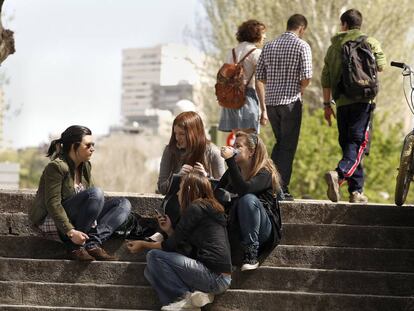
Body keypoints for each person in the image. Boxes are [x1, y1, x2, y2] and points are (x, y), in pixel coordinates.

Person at [127, 171, 232, 310]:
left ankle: (183, 299)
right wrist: (169, 230)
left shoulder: (196, 208)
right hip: (215, 276)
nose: (177, 193)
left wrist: (143, 244)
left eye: (180, 188)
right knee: (150, 271)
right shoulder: (206, 208)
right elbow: (184, 248)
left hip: (215, 277)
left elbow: (170, 245)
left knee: (154, 256)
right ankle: (190, 300)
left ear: (188, 189)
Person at [29, 125, 131, 261]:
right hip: (55, 221)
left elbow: (94, 203)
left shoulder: (85, 166)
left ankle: (93, 243)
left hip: (80, 219)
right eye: (88, 145)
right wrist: (71, 232)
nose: (92, 149)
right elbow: (53, 204)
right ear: (73, 147)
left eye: (93, 145)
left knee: (122, 204)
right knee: (96, 193)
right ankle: (75, 247)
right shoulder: (57, 167)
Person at [321, 9, 386, 203]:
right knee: (358, 144)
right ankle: (339, 175)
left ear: (344, 25)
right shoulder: (371, 42)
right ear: (360, 24)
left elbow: (326, 78)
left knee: (349, 144)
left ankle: (356, 192)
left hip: (341, 103)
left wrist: (326, 105)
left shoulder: (334, 47)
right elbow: (381, 66)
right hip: (364, 102)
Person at [256, 14, 313, 200]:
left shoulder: (269, 45)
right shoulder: (302, 46)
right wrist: (300, 89)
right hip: (290, 102)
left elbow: (261, 76)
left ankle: (268, 181)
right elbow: (306, 77)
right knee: (288, 147)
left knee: (280, 144)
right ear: (302, 29)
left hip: (271, 102)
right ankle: (281, 188)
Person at [217, 131, 282, 271]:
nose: (233, 148)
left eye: (238, 146)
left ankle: (251, 254)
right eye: (233, 145)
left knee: (247, 200)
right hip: (238, 227)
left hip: (263, 230)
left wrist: (229, 161)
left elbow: (245, 190)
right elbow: (215, 193)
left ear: (251, 151)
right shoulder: (233, 173)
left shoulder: (265, 172)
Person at [158, 111, 225, 195]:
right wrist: (178, 177)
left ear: (194, 133)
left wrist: (206, 178)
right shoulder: (170, 151)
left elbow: (223, 191)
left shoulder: (213, 152)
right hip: (176, 205)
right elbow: (161, 188)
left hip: (204, 206)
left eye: (182, 134)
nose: (177, 138)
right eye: (175, 133)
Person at [218, 19, 268, 133]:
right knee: (249, 142)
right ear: (255, 34)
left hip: (230, 101)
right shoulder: (256, 53)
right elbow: (258, 82)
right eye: (263, 33)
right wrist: (264, 109)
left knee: (238, 142)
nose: (265, 36)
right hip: (247, 100)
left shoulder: (231, 53)